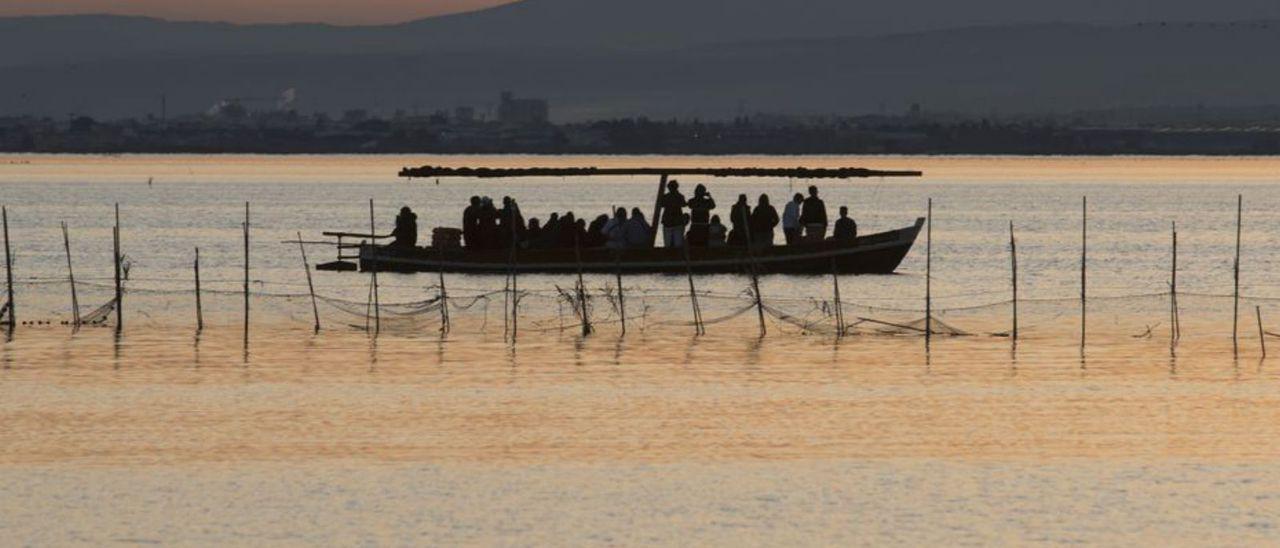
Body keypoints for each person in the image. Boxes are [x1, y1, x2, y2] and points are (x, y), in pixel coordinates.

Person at [659, 179, 688, 248]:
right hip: (677, 222)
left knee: (668, 244)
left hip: (668, 222)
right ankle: (676, 256)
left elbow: (661, 204)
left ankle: (669, 256)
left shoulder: (666, 197)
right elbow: (684, 204)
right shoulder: (680, 196)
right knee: (677, 244)